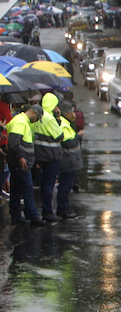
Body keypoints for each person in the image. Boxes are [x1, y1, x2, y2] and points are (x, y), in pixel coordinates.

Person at [7, 104, 45, 225]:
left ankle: (16, 216)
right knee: (27, 189)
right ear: (33, 113)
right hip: (21, 164)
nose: (37, 121)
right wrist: (21, 158)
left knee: (16, 191)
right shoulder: (21, 123)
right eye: (37, 118)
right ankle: (33, 217)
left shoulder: (21, 121)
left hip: (18, 163)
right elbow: (14, 143)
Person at [32, 92, 65, 223]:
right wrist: (58, 120)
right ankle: (48, 212)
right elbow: (59, 135)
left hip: (40, 155)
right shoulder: (49, 118)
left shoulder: (39, 115)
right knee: (49, 185)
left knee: (44, 184)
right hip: (51, 156)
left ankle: (46, 211)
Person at [56, 101, 81, 220]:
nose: (73, 114)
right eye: (71, 111)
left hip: (70, 161)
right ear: (66, 113)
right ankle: (63, 210)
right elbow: (69, 142)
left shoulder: (67, 123)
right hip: (67, 162)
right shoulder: (63, 124)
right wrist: (78, 136)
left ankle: (64, 208)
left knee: (66, 186)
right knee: (65, 186)